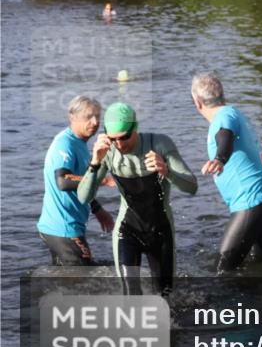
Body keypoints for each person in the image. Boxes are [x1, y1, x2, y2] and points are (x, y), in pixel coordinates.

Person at [79, 103, 197, 295]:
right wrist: (95, 162)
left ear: (136, 128)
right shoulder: (107, 152)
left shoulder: (159, 144)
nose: (119, 144)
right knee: (130, 294)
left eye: (124, 136)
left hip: (161, 230)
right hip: (128, 231)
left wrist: (167, 171)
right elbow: (84, 197)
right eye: (113, 138)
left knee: (165, 295)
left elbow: (192, 187)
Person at [191, 73, 262, 272]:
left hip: (250, 202)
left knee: (223, 270)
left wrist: (219, 159)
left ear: (197, 102)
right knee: (259, 266)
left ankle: (227, 304)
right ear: (223, 95)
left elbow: (225, 137)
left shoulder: (224, 116)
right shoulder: (233, 113)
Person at [37, 96, 115, 265]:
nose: (95, 122)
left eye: (97, 116)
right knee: (87, 279)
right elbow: (63, 181)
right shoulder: (65, 144)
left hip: (61, 227)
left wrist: (98, 210)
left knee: (65, 280)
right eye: (88, 117)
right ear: (73, 117)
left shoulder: (79, 143)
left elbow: (81, 186)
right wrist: (102, 181)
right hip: (63, 229)